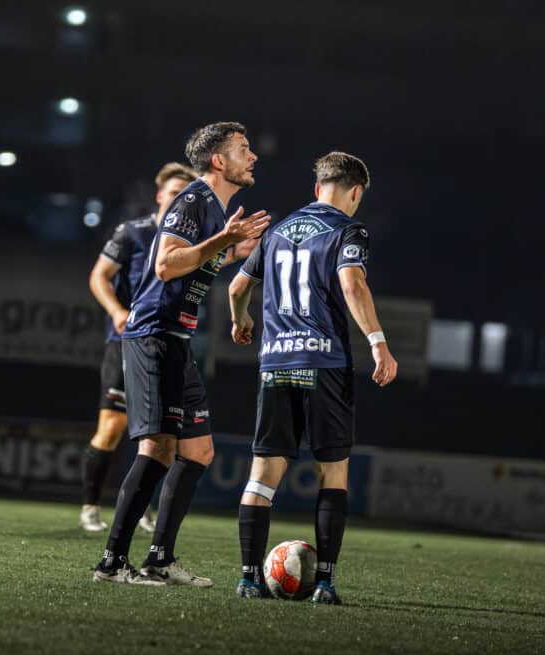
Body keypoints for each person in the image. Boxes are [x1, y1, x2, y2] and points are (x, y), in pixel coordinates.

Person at [93, 122, 270, 586]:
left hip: (178, 339)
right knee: (157, 449)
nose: (252, 157)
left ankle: (159, 558)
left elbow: (196, 261)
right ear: (218, 160)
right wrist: (224, 242)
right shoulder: (193, 199)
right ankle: (111, 562)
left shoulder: (214, 208)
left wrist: (229, 254)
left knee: (199, 451)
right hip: (153, 334)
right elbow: (167, 264)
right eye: (243, 150)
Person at [227, 151, 398, 604]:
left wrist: (240, 321)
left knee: (262, 476)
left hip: (276, 364)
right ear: (355, 192)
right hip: (325, 363)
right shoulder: (348, 229)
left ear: (317, 187)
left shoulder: (277, 232)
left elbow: (237, 288)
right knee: (333, 474)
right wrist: (378, 342)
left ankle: (248, 579)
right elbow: (352, 284)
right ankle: (324, 583)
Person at [79, 162, 199, 533]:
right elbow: (99, 275)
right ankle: (90, 507)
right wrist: (117, 312)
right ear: (160, 195)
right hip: (126, 341)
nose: (179, 197)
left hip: (166, 343)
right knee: (113, 428)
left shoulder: (190, 241)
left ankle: (143, 509)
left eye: (186, 193)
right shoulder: (133, 232)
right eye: (174, 190)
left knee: (162, 432)